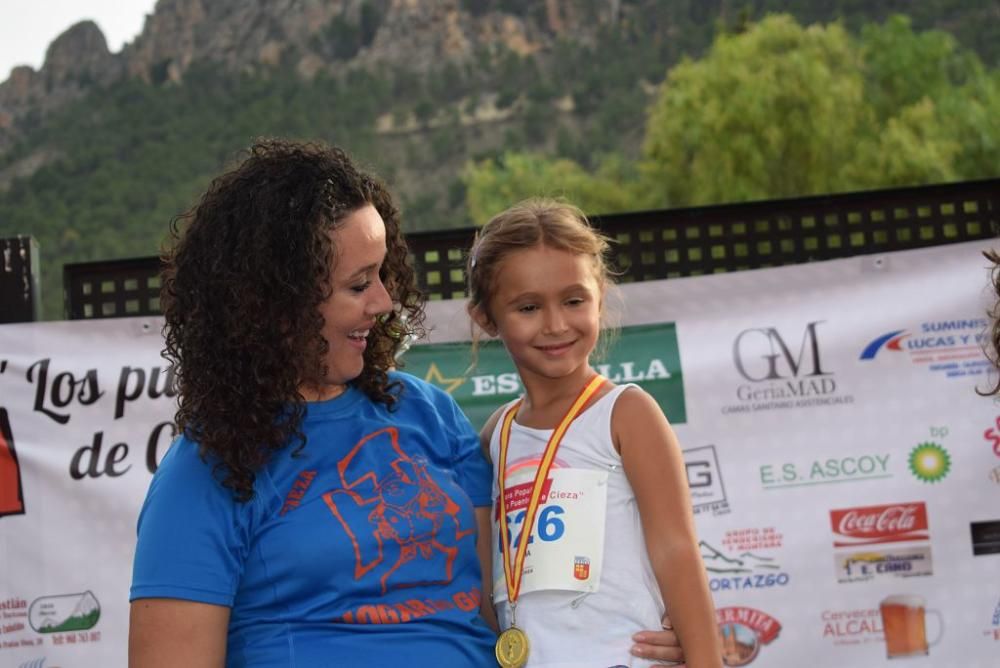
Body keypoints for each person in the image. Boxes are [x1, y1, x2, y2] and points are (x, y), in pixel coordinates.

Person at [128, 139, 686, 667]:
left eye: (382, 274)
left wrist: (634, 635)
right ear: (276, 304)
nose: (384, 300)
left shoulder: (429, 414)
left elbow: (511, 596)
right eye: (358, 284)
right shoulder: (208, 469)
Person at [466, 199, 723, 667]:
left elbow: (676, 551)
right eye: (528, 307)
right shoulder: (494, 437)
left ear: (599, 296)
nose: (556, 324)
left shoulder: (626, 413)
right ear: (486, 318)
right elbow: (487, 579)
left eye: (573, 300)